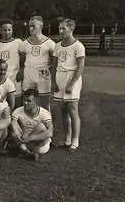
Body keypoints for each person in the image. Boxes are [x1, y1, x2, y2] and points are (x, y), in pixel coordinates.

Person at [51, 18, 85, 152]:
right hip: (60, 76)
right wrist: (53, 82)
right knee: (63, 110)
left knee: (72, 109)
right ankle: (67, 139)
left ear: (71, 29)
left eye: (63, 28)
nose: (61, 31)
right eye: (59, 28)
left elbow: (80, 67)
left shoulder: (78, 46)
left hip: (72, 78)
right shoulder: (57, 45)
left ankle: (75, 140)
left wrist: (71, 84)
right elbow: (54, 66)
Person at [17, 15, 56, 111]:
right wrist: (21, 71)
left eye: (33, 26)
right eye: (30, 26)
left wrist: (49, 71)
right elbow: (22, 61)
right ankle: (28, 124)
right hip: (29, 73)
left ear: (41, 27)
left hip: (43, 74)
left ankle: (47, 124)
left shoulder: (50, 43)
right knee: (27, 101)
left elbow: (54, 61)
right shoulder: (24, 43)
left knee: (44, 103)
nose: (31, 28)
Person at [9, 88, 54, 161]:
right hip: (23, 139)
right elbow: (13, 124)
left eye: (28, 101)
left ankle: (24, 151)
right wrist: (18, 134)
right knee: (13, 130)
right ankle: (27, 152)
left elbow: (50, 132)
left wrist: (31, 138)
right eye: (24, 100)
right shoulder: (18, 111)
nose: (25, 103)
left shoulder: (44, 113)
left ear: (36, 101)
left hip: (38, 143)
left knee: (42, 126)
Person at [0, 19, 23, 107]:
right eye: (4, 30)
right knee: (2, 102)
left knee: (17, 101)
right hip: (2, 76)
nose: (7, 32)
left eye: (9, 30)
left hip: (15, 76)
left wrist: (21, 71)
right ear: (0, 30)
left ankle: (16, 119)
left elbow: (23, 59)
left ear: (12, 30)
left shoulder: (18, 42)